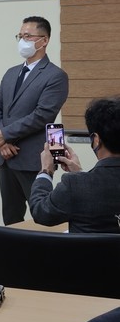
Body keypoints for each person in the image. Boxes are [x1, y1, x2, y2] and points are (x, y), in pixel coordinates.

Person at [0, 16, 69, 225]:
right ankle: (12, 248)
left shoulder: (55, 75)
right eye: (20, 36)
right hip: (6, 156)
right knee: (11, 216)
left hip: (34, 157)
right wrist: (1, 141)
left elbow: (42, 115)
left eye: (27, 36)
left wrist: (5, 134)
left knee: (42, 215)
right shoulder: (11, 73)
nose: (22, 41)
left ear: (44, 40)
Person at [29, 96, 120, 232]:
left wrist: (46, 171)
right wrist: (80, 174)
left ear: (96, 140)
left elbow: (41, 212)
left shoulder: (74, 185)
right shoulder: (78, 183)